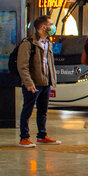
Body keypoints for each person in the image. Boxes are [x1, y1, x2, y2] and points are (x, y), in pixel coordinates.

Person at [17, 15, 61, 147]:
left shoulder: (48, 42)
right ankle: (24, 137)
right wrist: (29, 83)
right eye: (51, 24)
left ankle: (42, 136)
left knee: (43, 111)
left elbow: (49, 64)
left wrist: (51, 80)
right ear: (43, 27)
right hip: (33, 83)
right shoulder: (28, 43)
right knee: (28, 110)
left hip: (45, 83)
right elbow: (22, 66)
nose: (53, 27)